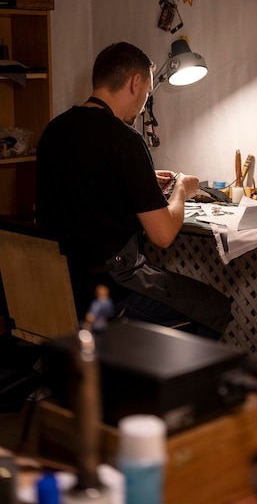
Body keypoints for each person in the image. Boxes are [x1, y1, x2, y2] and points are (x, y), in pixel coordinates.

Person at [36, 42, 231, 339]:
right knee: (215, 308)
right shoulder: (125, 139)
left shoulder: (54, 130)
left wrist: (141, 179)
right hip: (110, 290)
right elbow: (163, 235)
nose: (143, 105)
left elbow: (85, 186)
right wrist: (181, 189)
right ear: (135, 82)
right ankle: (160, 380)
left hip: (61, 285)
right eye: (147, 94)